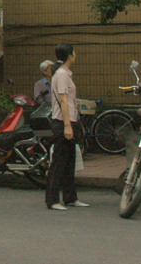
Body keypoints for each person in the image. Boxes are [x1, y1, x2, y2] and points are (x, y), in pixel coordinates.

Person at [45, 43, 88, 211]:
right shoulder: (62, 74)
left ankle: (70, 198)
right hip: (63, 122)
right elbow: (63, 100)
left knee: (70, 161)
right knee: (59, 162)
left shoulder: (64, 73)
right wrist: (67, 125)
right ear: (69, 55)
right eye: (74, 52)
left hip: (69, 121)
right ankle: (52, 200)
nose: (75, 54)